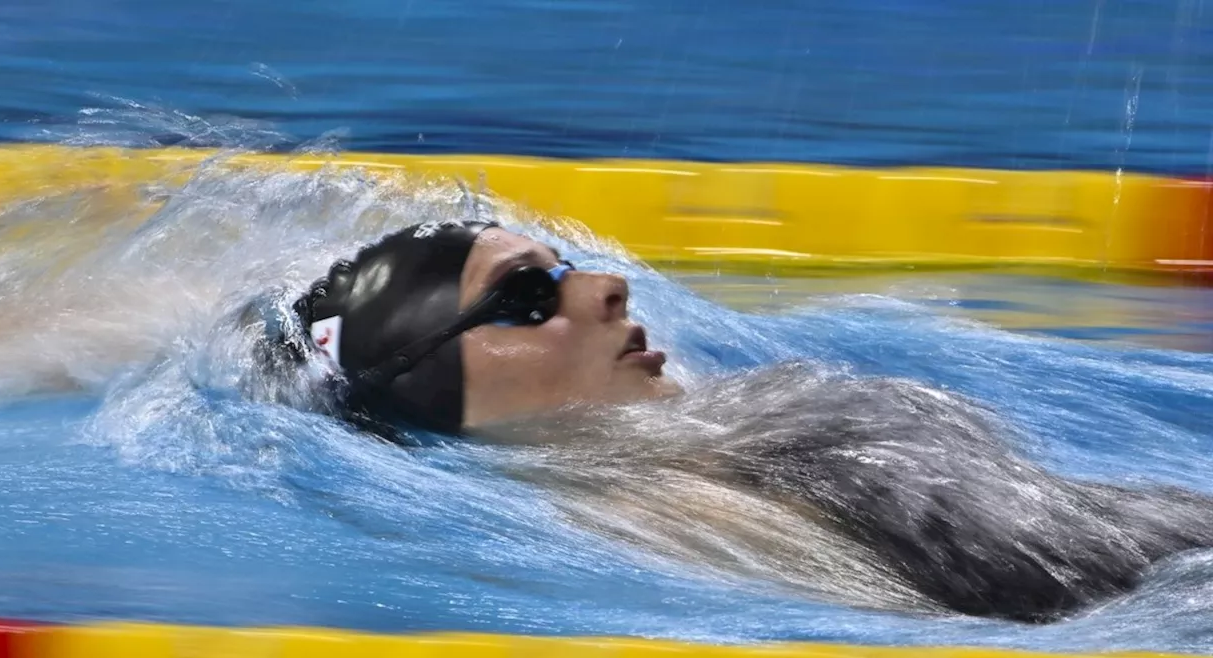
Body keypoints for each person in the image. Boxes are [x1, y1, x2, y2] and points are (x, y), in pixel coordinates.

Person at [278, 219, 1213, 623]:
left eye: (568, 268)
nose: (605, 287)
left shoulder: (694, 446)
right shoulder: (642, 512)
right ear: (430, 381)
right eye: (528, 296)